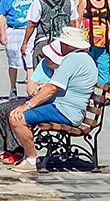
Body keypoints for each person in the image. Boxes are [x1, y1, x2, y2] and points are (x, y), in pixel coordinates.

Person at [7, 26, 99, 174]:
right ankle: (27, 155)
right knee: (18, 112)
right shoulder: (85, 58)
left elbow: (52, 88)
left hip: (65, 111)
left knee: (16, 118)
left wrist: (28, 105)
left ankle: (31, 159)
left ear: (68, 45)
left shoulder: (72, 59)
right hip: (71, 108)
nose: (60, 45)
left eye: (62, 42)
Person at [0, 0, 40, 99]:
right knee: (13, 62)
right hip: (14, 30)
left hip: (30, 30)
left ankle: (30, 90)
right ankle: (13, 87)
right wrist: (2, 34)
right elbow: (1, 15)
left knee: (30, 62)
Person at [21, 0, 73, 75]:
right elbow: (73, 22)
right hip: (63, 42)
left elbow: (32, 24)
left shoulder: (39, 2)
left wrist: (25, 43)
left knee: (41, 77)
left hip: (44, 42)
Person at [79, 0, 110, 85]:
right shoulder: (85, 2)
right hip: (87, 42)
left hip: (103, 42)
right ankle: (89, 91)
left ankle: (104, 91)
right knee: (88, 68)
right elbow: (78, 20)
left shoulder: (107, 2)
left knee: (104, 67)